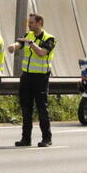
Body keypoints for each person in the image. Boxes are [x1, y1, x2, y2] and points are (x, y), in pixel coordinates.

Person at [7, 13, 56, 147]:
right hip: (26, 77)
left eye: (32, 23)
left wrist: (31, 43)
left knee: (42, 109)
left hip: (40, 78)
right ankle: (26, 139)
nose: (29, 25)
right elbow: (19, 43)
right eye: (29, 23)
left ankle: (47, 138)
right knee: (26, 108)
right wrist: (13, 46)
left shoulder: (49, 38)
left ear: (40, 22)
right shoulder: (28, 35)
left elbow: (41, 53)